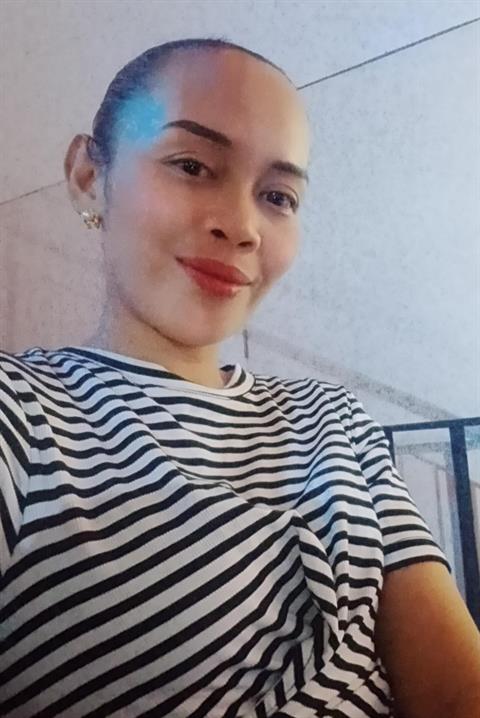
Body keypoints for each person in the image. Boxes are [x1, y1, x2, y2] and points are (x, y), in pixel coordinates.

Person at [0, 37, 479, 718]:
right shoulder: (22, 411)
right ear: (88, 176)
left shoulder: (334, 419)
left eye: (278, 196)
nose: (242, 226)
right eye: (192, 165)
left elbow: (456, 685)